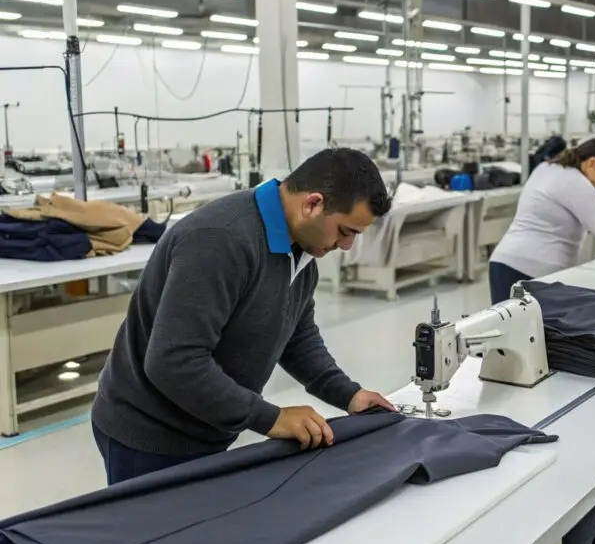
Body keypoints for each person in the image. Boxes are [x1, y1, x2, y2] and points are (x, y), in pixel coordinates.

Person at [90, 148, 395, 485]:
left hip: (207, 425)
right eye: (345, 231)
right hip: (149, 436)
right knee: (155, 536)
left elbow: (297, 336)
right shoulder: (220, 240)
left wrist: (347, 394)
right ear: (313, 204)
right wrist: (271, 418)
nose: (347, 246)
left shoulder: (301, 249)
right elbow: (173, 361)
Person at [488, 138, 595, 304]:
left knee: (512, 328)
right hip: (531, 272)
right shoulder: (579, 185)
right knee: (531, 329)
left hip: (504, 263)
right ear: (591, 163)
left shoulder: (547, 168)